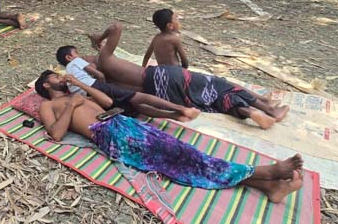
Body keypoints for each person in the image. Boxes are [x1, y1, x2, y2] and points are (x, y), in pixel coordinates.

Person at [34, 70, 304, 203]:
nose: (61, 77)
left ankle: (268, 186)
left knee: (184, 152)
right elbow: (55, 134)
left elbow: (106, 103)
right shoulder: (49, 105)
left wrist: (80, 86)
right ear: (47, 84)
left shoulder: (76, 93)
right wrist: (70, 106)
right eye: (56, 76)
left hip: (122, 122)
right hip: (108, 134)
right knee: (180, 157)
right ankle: (264, 172)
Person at [86, 22, 289, 129]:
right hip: (164, 76)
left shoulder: (102, 83)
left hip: (161, 95)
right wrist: (99, 38)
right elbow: (117, 26)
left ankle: (249, 111)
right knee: (220, 84)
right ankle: (269, 109)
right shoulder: (106, 58)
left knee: (211, 97)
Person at [56, 46, 200, 121]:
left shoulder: (68, 76)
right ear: (69, 57)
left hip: (92, 98)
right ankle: (181, 109)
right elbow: (99, 75)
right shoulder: (76, 62)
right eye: (77, 53)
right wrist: (105, 84)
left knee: (136, 106)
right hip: (97, 87)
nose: (80, 55)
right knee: (138, 97)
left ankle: (174, 116)